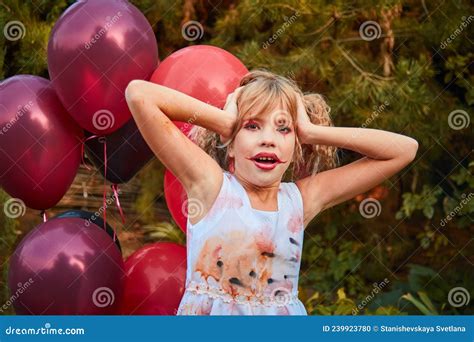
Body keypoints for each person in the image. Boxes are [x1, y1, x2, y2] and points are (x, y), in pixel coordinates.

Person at [125, 69, 418, 315]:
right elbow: (139, 94)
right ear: (231, 145)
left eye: (283, 129)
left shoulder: (300, 201)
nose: (268, 140)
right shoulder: (212, 186)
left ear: (296, 144)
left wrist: (312, 132)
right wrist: (223, 121)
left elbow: (404, 150)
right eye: (252, 126)